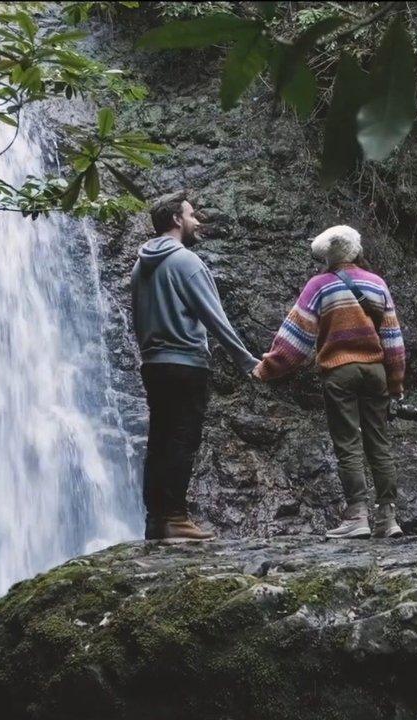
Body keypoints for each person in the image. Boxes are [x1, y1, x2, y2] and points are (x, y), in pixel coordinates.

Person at [252, 225, 406, 539]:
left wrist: (266, 368)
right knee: (380, 444)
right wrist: (396, 384)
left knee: (348, 442)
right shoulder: (377, 284)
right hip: (375, 371)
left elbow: (295, 337)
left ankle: (357, 516)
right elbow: (393, 339)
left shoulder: (319, 285)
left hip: (340, 371)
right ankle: (388, 518)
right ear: (356, 250)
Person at [131, 191, 260, 541]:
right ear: (176, 219)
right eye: (192, 215)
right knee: (182, 439)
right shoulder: (187, 262)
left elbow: (138, 318)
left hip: (153, 364)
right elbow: (215, 319)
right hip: (186, 363)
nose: (197, 221)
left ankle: (156, 519)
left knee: (158, 440)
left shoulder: (140, 265)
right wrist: (248, 362)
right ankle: (174, 516)